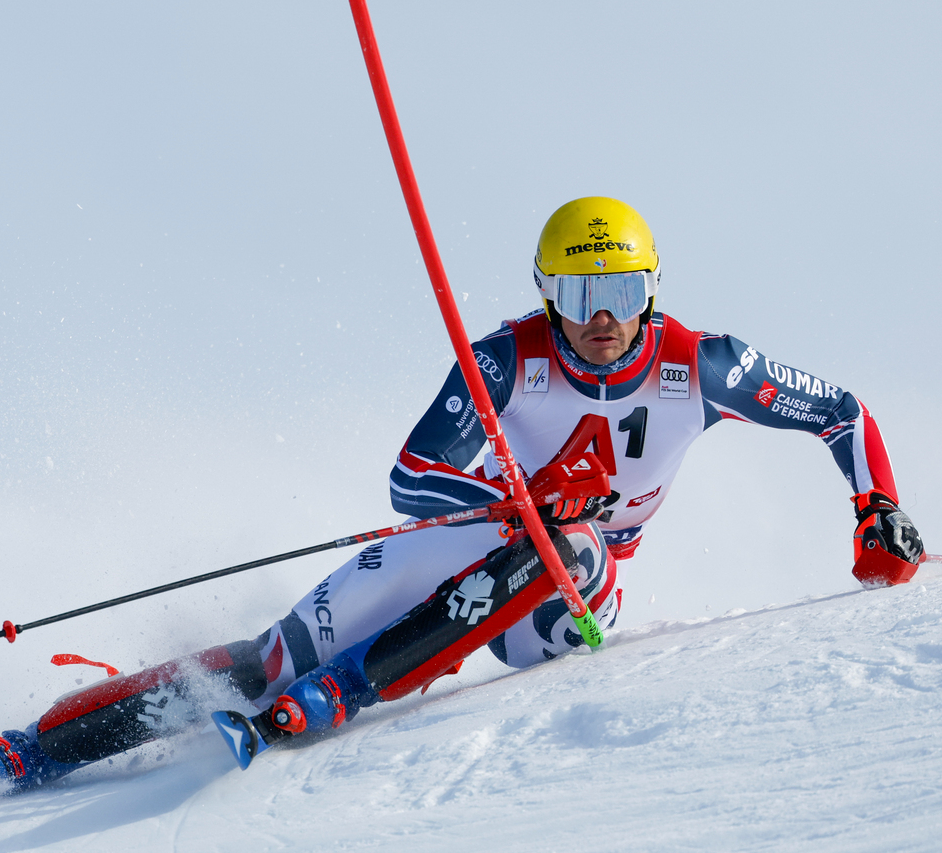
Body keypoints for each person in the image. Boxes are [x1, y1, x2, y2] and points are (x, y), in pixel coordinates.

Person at [0, 197, 925, 792]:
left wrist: (875, 506)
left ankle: (340, 693)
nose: (602, 317)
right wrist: (520, 497)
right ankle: (35, 749)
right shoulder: (506, 357)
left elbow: (841, 414)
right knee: (264, 659)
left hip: (566, 602)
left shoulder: (703, 364)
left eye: (622, 288)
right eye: (579, 292)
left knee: (572, 545)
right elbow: (412, 479)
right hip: (480, 540)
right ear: (547, 293)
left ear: (653, 287)